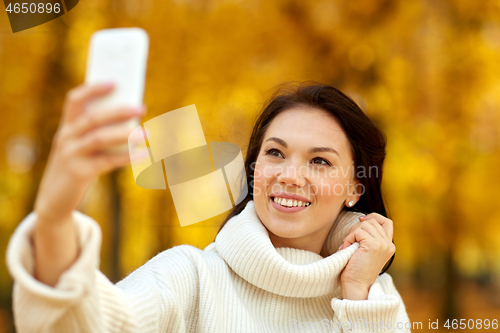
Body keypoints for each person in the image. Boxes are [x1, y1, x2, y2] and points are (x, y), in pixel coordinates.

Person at [6, 81, 411, 332]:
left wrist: (357, 294)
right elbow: (90, 326)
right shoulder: (192, 278)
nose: (289, 175)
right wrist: (55, 217)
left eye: (319, 161)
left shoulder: (376, 298)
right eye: (275, 153)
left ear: (355, 188)